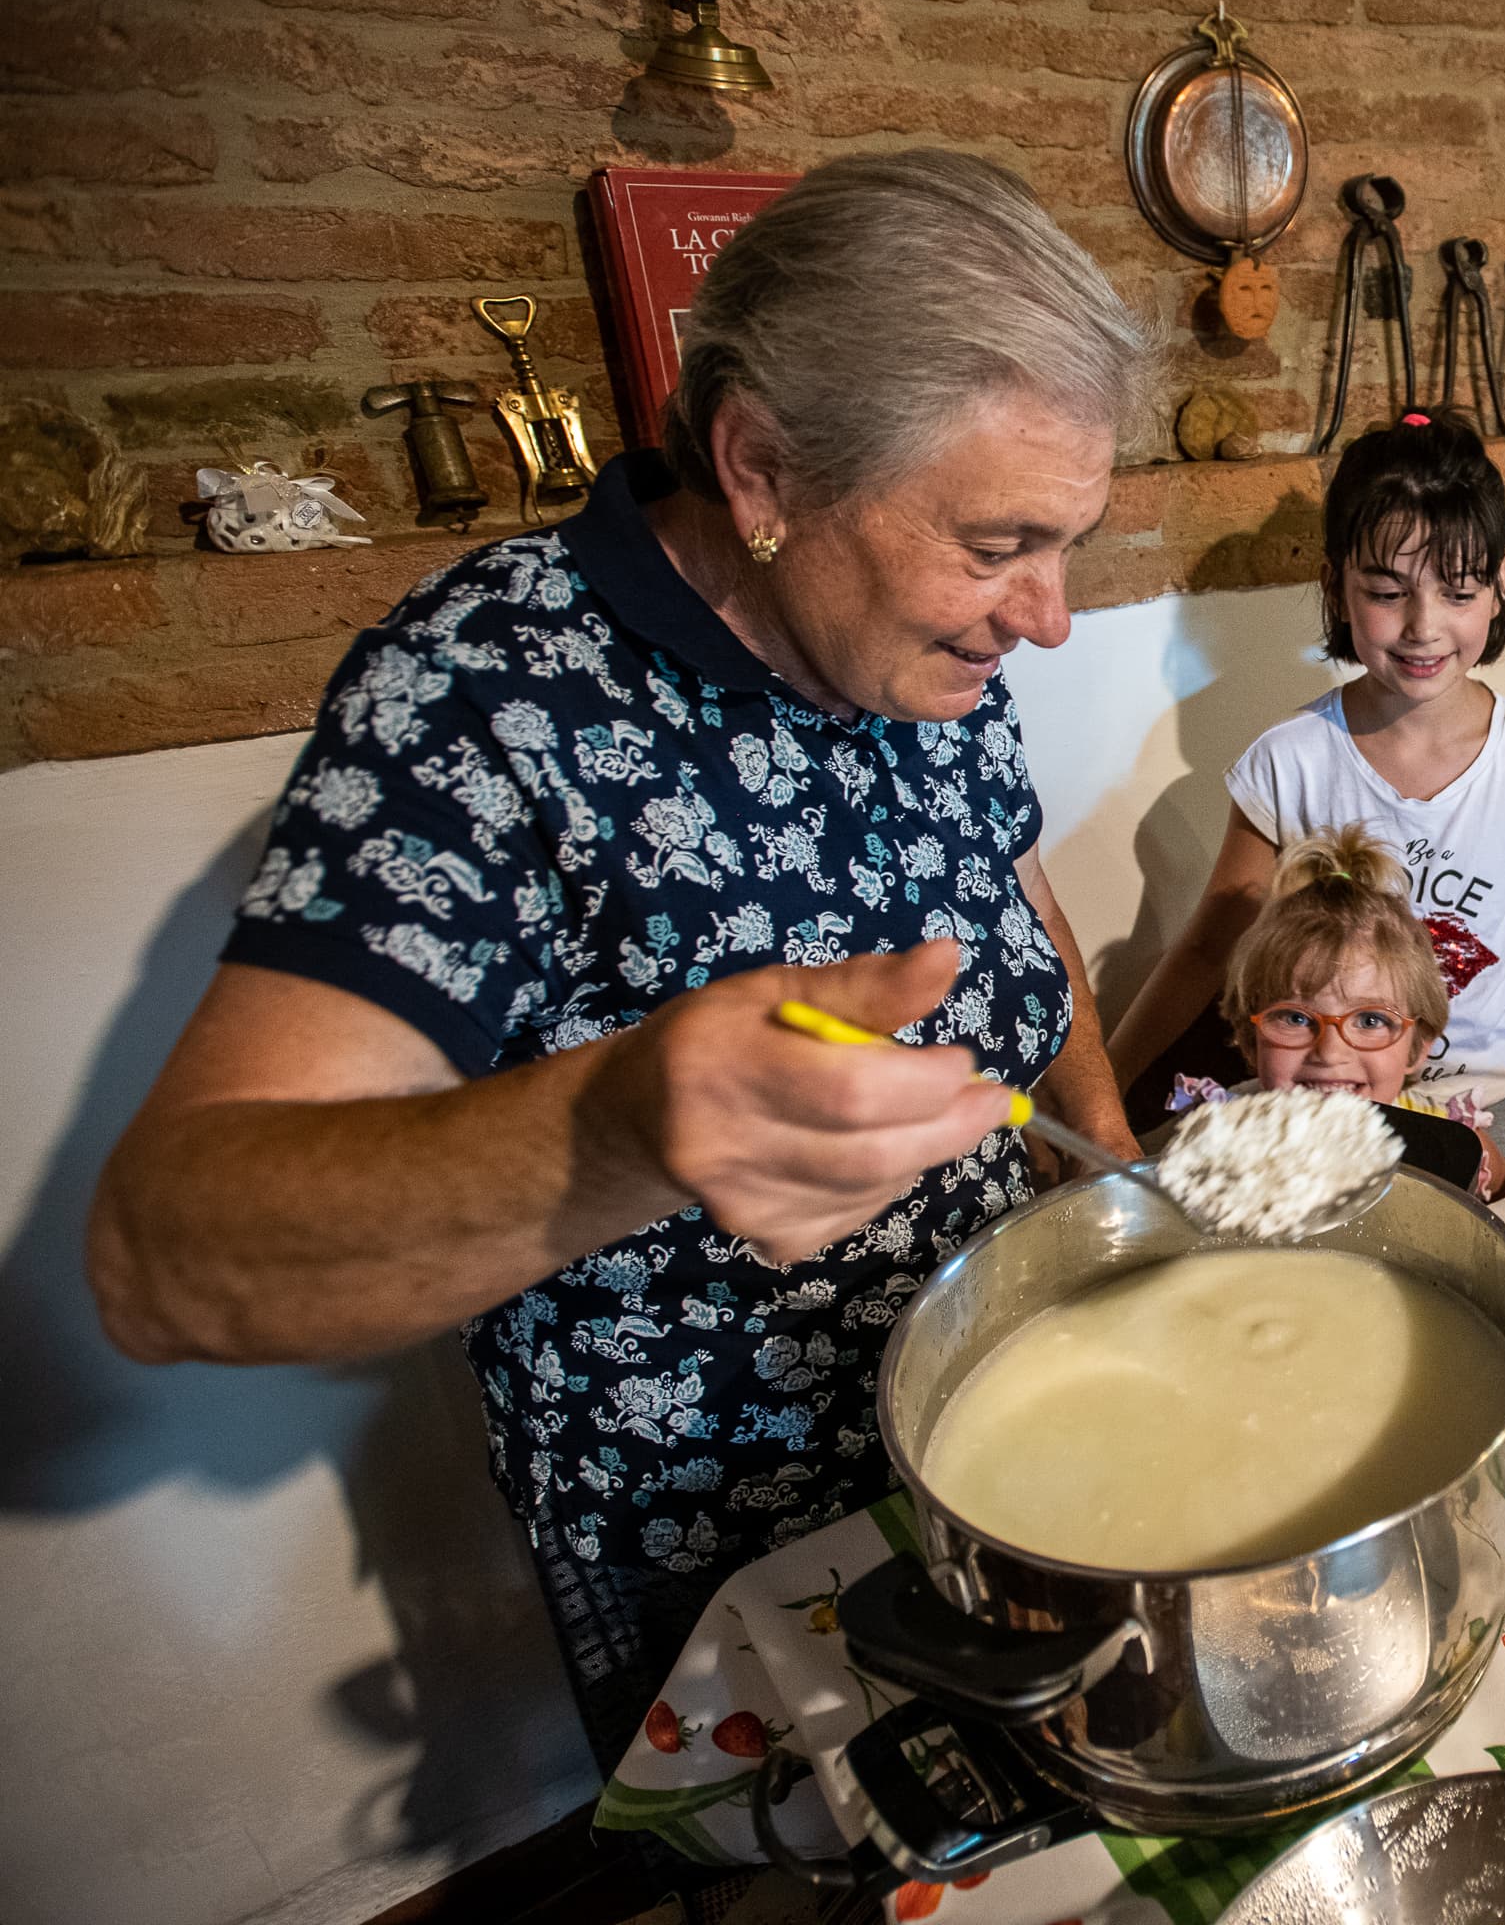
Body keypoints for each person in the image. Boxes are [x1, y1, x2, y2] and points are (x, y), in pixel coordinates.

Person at [84, 150, 1150, 1767]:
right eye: (1001, 542)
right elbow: (162, 1260)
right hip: (741, 1555)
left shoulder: (933, 657)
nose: (1051, 616)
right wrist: (625, 1122)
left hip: (1012, 1434)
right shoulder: (489, 698)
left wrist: (1112, 1179)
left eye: (1067, 541)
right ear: (762, 466)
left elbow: (1019, 906)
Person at [1108, 413, 1505, 1172]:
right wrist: (1102, 1090)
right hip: (1328, 1100)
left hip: (1494, 1101)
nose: (1423, 626)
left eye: (1458, 591)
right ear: (1336, 588)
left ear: (1501, 587)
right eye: (1387, 590)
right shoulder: (1290, 761)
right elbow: (1212, 941)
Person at [1168, 823, 1505, 1197]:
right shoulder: (1219, 1135)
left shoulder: (1448, 1140)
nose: (1330, 1053)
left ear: (1418, 1044)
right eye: (1297, 1018)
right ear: (1251, 1038)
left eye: (1370, 1020)